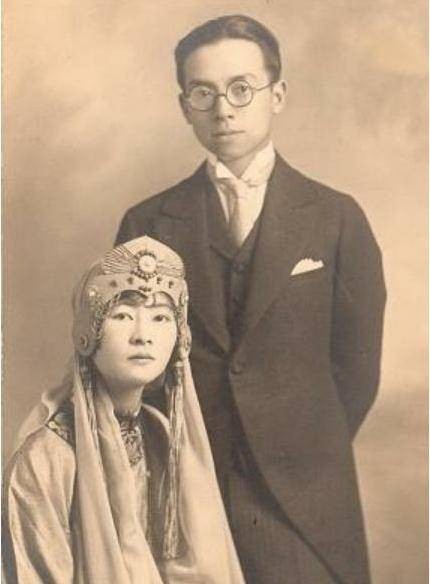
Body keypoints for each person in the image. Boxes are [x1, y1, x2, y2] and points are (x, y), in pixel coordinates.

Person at [115, 14, 386, 584]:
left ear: (276, 94)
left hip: (305, 501)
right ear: (184, 105)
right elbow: (131, 367)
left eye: (242, 89)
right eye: (203, 93)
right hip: (186, 495)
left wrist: (302, 441)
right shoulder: (147, 224)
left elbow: (357, 367)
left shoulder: (336, 217)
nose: (224, 109)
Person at [3, 236, 245, 583]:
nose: (143, 335)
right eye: (123, 315)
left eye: (161, 317)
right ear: (89, 333)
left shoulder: (162, 435)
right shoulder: (45, 458)